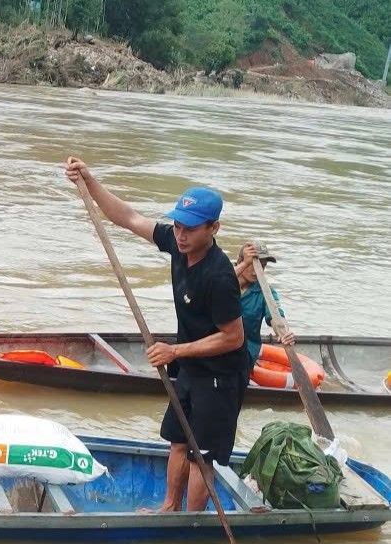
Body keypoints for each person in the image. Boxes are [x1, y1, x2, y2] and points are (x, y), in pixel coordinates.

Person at [65, 156, 248, 512]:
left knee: (201, 456)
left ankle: (191, 522)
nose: (180, 235)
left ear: (213, 228)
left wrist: (175, 352)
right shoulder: (177, 244)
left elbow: (233, 338)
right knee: (178, 441)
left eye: (190, 229)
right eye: (177, 225)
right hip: (191, 369)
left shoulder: (219, 276)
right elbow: (129, 217)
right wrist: (89, 181)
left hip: (220, 377)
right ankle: (169, 508)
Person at [234, 240, 295, 369]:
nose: (257, 271)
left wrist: (284, 333)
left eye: (262, 266)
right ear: (240, 261)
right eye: (253, 264)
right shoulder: (224, 277)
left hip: (245, 352)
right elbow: (211, 285)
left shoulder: (266, 292)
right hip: (217, 344)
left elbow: (277, 317)